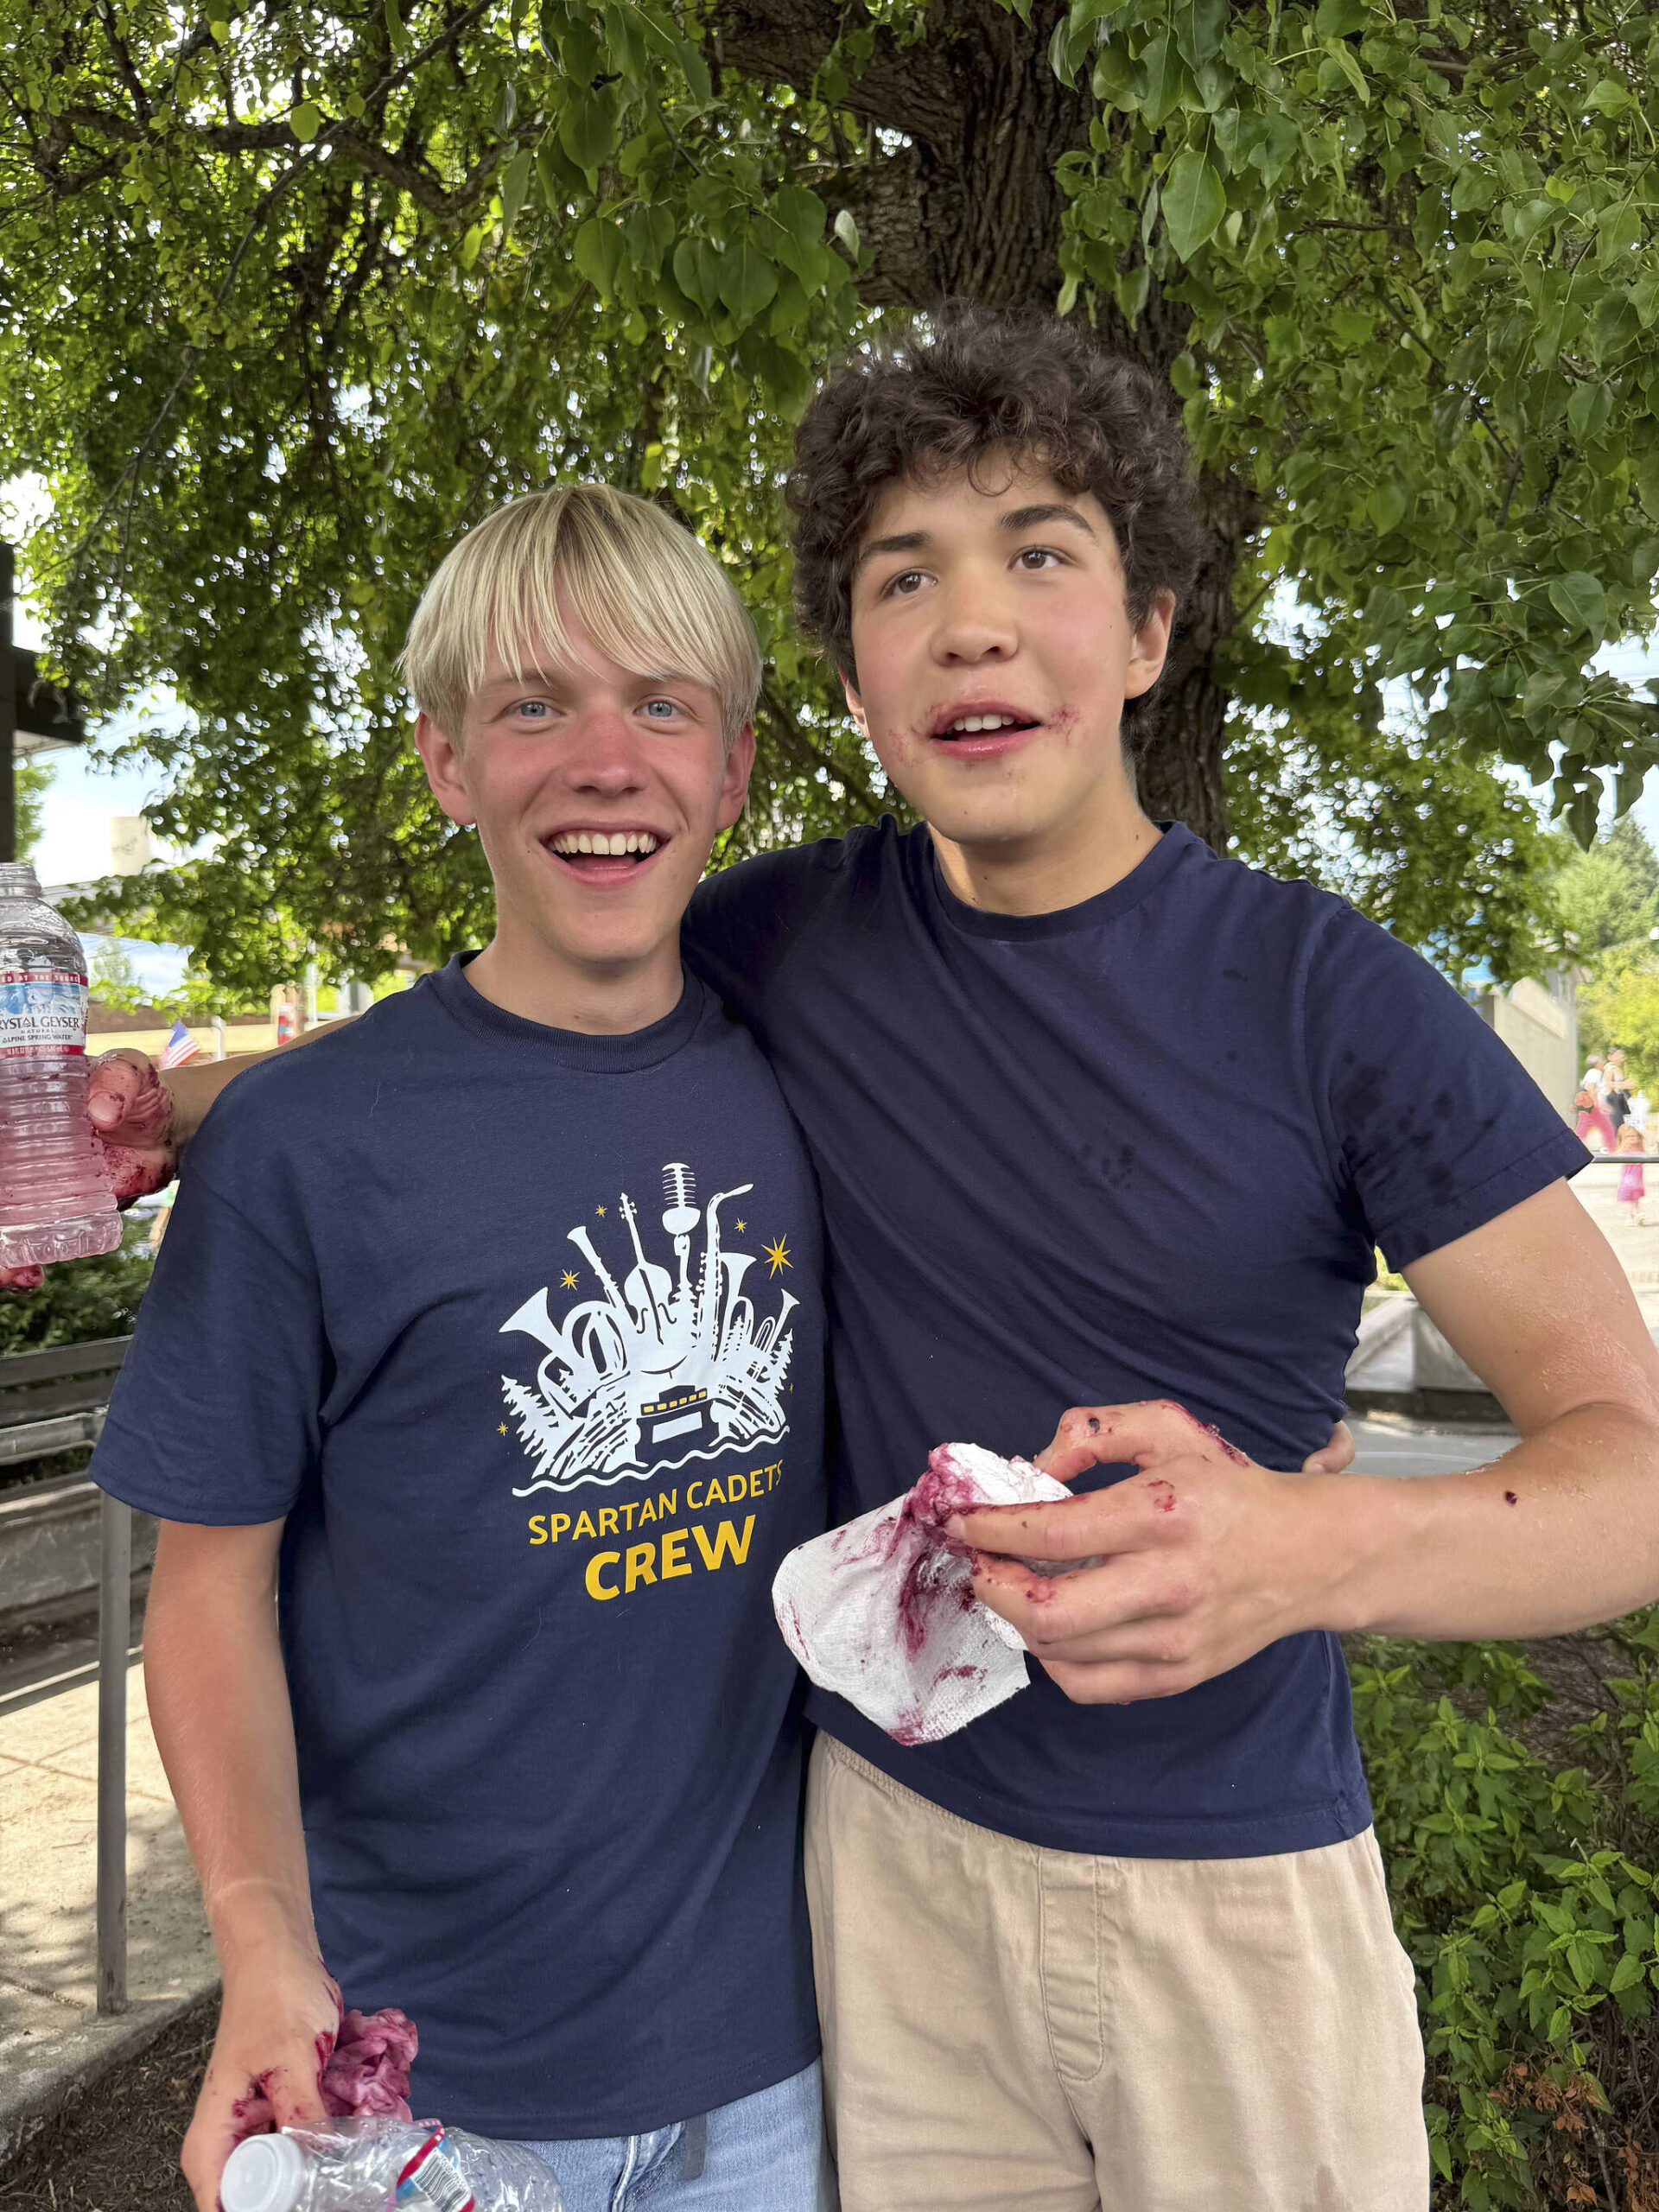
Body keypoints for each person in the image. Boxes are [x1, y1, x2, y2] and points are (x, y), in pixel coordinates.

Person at [63, 307, 1659, 2212]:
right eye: (911, 576)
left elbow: (1626, 1465)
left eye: (1042, 554)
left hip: (1229, 1889)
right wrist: (211, 1090)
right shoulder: (788, 941)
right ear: (853, 674)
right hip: (876, 1890)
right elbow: (512, 1020)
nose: (976, 621)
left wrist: (1323, 1550)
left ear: (1151, 630)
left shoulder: (1340, 1002)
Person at [85, 488, 834, 2212]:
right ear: (443, 761)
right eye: (529, 705)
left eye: (663, 703)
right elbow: (205, 1597)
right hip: (418, 2080)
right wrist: (260, 1943)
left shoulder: (808, 1066)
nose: (602, 757)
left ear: (731, 770)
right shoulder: (302, 1148)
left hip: (787, 2067)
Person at [1616, 1119, 1647, 1218]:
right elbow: (1618, 1152)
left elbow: (1649, 1154)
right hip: (1628, 1179)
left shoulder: (1640, 1148)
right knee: (1630, 1197)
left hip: (1638, 1180)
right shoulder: (1625, 1149)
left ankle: (1635, 1213)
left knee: (1636, 1197)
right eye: (1629, 1137)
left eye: (1635, 1136)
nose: (1633, 1139)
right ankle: (1631, 1214)